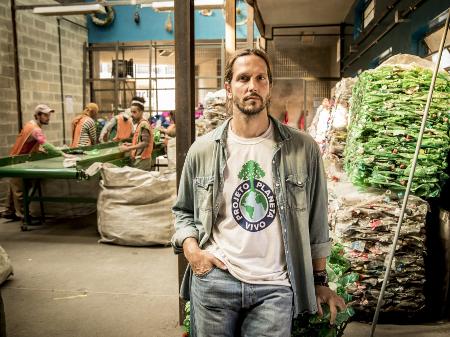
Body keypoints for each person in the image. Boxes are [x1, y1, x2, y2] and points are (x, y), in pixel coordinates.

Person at [171, 49, 345, 337]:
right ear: (229, 88)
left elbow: (316, 220)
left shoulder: (302, 149)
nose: (252, 86)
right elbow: (183, 211)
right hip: (215, 281)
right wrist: (193, 253)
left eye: (260, 78)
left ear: (269, 86)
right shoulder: (202, 149)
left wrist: (319, 280)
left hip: (275, 287)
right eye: (243, 78)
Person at [1, 104, 68, 221]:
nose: (48, 118)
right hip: (18, 162)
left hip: (18, 159)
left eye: (49, 115)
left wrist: (39, 150)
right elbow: (45, 143)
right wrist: (62, 154)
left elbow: (31, 143)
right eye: (45, 115)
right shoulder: (35, 129)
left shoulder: (30, 125)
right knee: (20, 191)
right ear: (38, 115)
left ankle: (9, 211)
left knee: (14, 187)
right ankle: (24, 217)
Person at [119, 97, 153, 170]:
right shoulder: (140, 123)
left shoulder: (143, 124)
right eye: (131, 112)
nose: (132, 114)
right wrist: (132, 144)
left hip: (142, 161)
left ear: (141, 112)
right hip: (140, 159)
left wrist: (128, 148)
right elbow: (140, 140)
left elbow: (145, 143)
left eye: (134, 112)